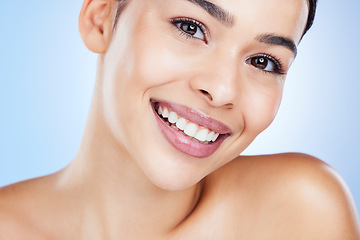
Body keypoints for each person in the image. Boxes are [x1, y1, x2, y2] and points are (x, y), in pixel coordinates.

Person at [0, 0, 359, 239]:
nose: (222, 90)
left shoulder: (301, 214)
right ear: (101, 18)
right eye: (190, 27)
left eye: (263, 61)